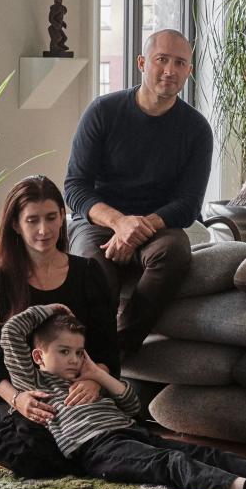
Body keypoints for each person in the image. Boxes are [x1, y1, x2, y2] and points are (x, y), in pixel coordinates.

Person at [1, 303, 246, 489]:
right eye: (64, 351)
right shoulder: (35, 383)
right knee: (172, 463)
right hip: (96, 450)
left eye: (79, 352)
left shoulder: (87, 378)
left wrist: (96, 375)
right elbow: (11, 333)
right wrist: (52, 308)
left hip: (132, 433)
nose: (74, 359)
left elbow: (132, 407)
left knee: (200, 452)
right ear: (40, 357)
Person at [64, 30, 213, 356]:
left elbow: (189, 204)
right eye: (162, 60)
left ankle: (114, 354)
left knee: (173, 253)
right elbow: (74, 187)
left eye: (180, 63)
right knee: (91, 266)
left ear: (189, 71)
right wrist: (120, 223)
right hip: (100, 220)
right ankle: (86, 354)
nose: (170, 70)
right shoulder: (103, 111)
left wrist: (137, 228)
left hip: (160, 226)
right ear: (142, 63)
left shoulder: (196, 129)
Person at [0, 176, 121, 476]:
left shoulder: (89, 273)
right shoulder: (0, 280)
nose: (43, 230)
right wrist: (18, 399)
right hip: (10, 394)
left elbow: (107, 348)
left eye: (51, 218)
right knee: (31, 451)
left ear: (63, 217)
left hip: (68, 392)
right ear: (15, 225)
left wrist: (92, 380)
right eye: (32, 220)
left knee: (81, 447)